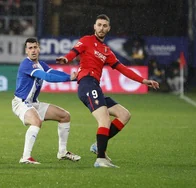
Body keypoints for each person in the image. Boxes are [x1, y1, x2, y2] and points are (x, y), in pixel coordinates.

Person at [56, 14, 159, 168]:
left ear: (108, 28)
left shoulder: (106, 51)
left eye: (105, 25)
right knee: (104, 120)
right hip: (87, 84)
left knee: (124, 115)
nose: (101, 28)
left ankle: (98, 145)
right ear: (94, 26)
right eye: (99, 25)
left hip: (96, 87)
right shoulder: (86, 40)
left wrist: (143, 81)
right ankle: (100, 159)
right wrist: (66, 59)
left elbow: (123, 69)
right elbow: (74, 51)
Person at [12, 38, 81, 164]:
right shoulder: (26, 64)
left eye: (35, 47)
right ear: (26, 51)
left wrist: (72, 78)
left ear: (39, 49)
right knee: (36, 121)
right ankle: (26, 157)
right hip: (21, 103)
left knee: (65, 116)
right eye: (30, 48)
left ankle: (62, 152)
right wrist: (69, 78)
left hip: (33, 103)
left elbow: (52, 72)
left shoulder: (41, 64)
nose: (33, 50)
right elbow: (47, 77)